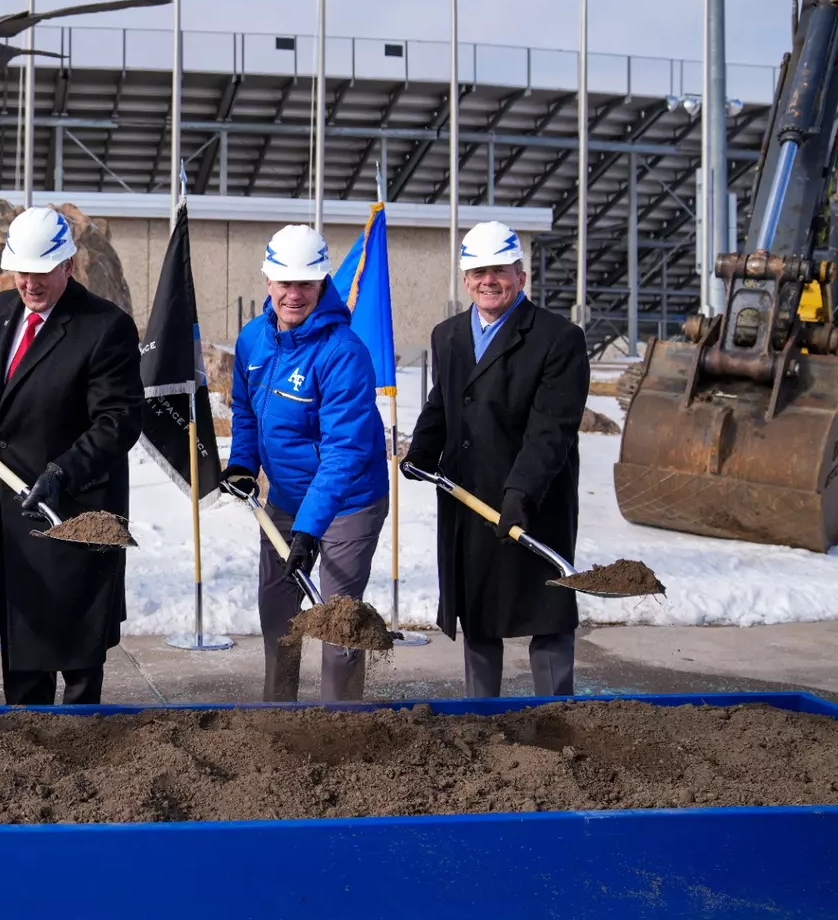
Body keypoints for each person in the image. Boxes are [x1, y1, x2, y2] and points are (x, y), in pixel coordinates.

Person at [0, 206, 143, 705]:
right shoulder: (4, 309)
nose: (29, 282)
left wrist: (61, 474)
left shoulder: (105, 327)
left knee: (76, 652)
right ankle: (26, 744)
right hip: (15, 508)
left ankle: (79, 751)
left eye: (41, 270)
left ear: (68, 265)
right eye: (20, 270)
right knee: (23, 644)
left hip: (74, 511)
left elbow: (118, 422)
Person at [402, 220, 589, 697]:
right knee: (479, 611)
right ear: (466, 279)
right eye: (478, 271)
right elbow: (442, 401)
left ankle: (556, 716)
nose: (489, 280)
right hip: (469, 497)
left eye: (500, 270)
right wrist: (422, 447)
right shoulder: (448, 335)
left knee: (544, 613)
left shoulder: (557, 338)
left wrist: (521, 493)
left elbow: (553, 428)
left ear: (521, 276)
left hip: (534, 497)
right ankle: (482, 718)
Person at [222, 224, 391, 702]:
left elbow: (345, 451)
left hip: (349, 504)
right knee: (278, 616)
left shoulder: (343, 353)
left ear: (322, 284)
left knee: (337, 622)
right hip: (286, 500)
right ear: (268, 281)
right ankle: (282, 719)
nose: (293, 294)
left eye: (305, 284)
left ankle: (340, 726)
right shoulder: (254, 340)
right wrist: (241, 462)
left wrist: (311, 529)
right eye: (284, 282)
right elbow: (245, 410)